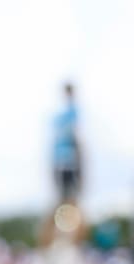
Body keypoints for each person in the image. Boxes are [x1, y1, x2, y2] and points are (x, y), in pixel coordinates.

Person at [38, 83, 85, 247]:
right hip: (66, 163)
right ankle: (59, 241)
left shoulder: (64, 114)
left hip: (64, 163)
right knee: (67, 202)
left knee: (67, 202)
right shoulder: (68, 113)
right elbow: (76, 141)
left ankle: (62, 240)